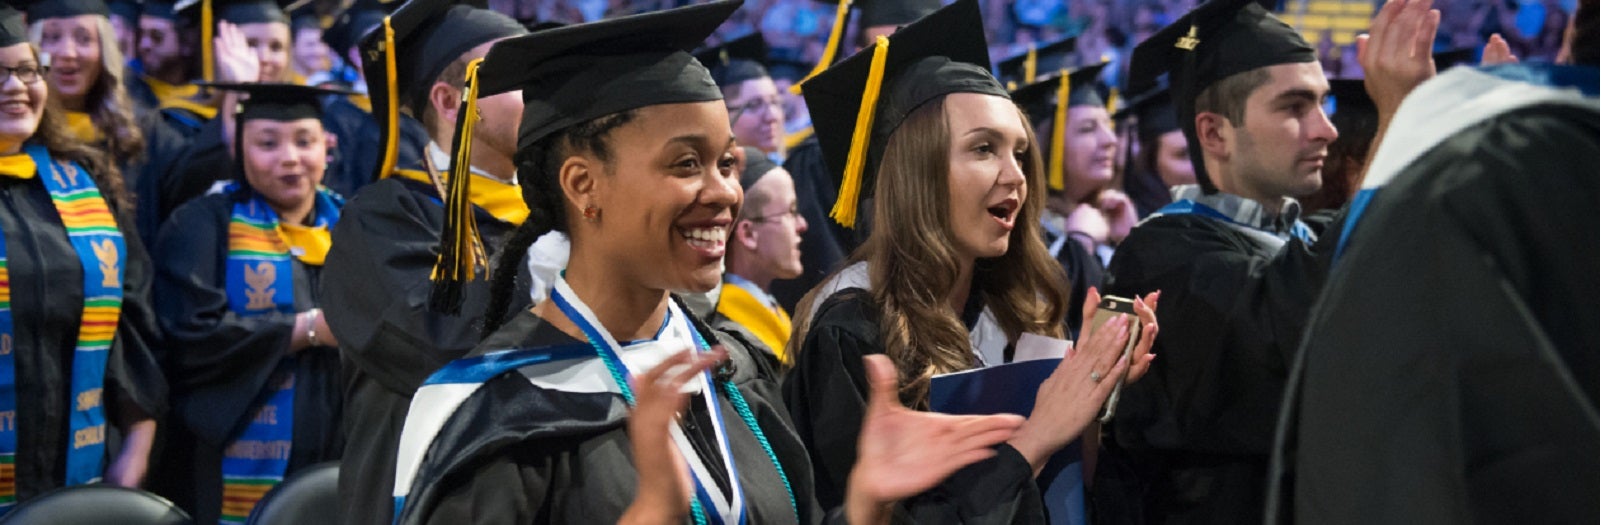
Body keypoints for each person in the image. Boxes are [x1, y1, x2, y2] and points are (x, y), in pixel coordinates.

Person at [389, 2, 1027, 523]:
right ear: (584, 186)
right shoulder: (494, 413)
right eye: (685, 164)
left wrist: (864, 505)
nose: (725, 193)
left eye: (728, 163)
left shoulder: (734, 369)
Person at [783, 0, 1158, 522]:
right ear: (919, 171)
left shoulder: (1012, 311)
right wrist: (1036, 436)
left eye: (1020, 153)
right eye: (984, 149)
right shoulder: (856, 330)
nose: (1016, 177)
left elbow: (1060, 501)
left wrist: (1091, 396)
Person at [1265, 0, 1599, 522]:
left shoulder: (1475, 188)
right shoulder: (1176, 252)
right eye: (1293, 108)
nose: (1324, 131)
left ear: (1576, 29)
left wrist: (1456, 144)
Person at [1102, 0, 1343, 520]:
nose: (1327, 129)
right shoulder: (1163, 260)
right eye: (1295, 107)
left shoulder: (1308, 234)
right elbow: (1295, 328)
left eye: (1324, 104)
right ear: (1214, 134)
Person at [318, 1, 532, 523]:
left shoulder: (563, 209)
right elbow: (436, 344)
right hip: (432, 497)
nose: (540, 96)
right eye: (518, 80)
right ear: (451, 101)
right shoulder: (381, 220)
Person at [150, 82, 347, 525]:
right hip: (226, 459)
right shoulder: (201, 225)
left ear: (327, 146)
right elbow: (189, 338)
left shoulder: (354, 226)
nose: (290, 157)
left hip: (337, 447)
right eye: (267, 143)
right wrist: (309, 329)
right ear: (238, 147)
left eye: (304, 141)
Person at [0, 4, 166, 512]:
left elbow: (133, 320)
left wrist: (136, 449)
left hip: (82, 473)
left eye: (27, 70)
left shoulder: (84, 181)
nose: (15, 86)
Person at [771, 0, 943, 313]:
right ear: (857, 58)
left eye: (913, 55)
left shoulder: (968, 149)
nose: (897, 68)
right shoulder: (820, 160)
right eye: (881, 54)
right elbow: (821, 279)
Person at [1010, 63, 1133, 335]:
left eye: (1108, 126)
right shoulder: (1019, 233)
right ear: (1046, 144)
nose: (1110, 139)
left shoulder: (1109, 219)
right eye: (1088, 129)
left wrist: (1129, 243)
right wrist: (1080, 243)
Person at [714, 146, 805, 363]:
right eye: (791, 212)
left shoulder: (774, 314)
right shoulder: (729, 335)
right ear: (748, 233)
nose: (802, 224)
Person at [696, 33, 788, 162]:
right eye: (754, 105)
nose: (772, 116)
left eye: (775, 102)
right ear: (720, 116)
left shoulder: (796, 169)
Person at [1113, 87, 1194, 217]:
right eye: (1185, 155)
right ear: (1151, 162)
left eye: (1205, 152)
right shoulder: (1129, 223)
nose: (1202, 166)